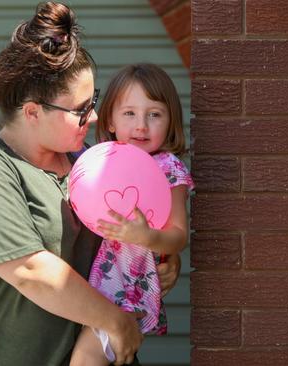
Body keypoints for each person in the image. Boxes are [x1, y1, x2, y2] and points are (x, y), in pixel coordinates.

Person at [0, 3, 180, 365]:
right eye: (80, 109)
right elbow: (33, 272)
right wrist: (115, 321)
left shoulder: (94, 162)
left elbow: (143, 234)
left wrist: (162, 261)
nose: (94, 116)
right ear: (33, 112)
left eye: (93, 101)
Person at [69, 63, 194, 366]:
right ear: (110, 119)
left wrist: (147, 236)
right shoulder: (98, 161)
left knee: (86, 357)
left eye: (154, 114)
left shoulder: (169, 169)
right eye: (129, 113)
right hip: (92, 287)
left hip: (129, 286)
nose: (141, 125)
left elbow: (178, 236)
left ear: (170, 121)